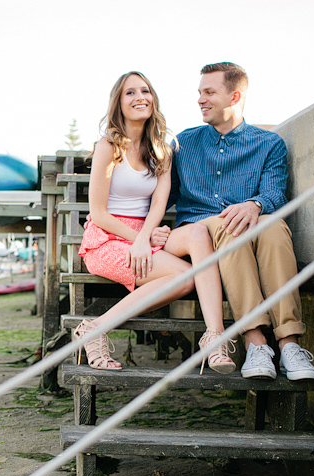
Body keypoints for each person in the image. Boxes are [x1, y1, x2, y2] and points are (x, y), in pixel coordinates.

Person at [167, 61, 314, 381]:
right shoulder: (184, 143)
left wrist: (255, 204)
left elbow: (275, 193)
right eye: (199, 92)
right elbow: (163, 195)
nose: (200, 99)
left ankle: (289, 344)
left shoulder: (269, 144)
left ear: (235, 97)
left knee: (275, 227)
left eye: (209, 92)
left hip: (250, 225)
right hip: (200, 226)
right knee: (228, 225)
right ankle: (255, 342)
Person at [74, 71, 234, 375]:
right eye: (130, 93)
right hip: (107, 238)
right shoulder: (108, 146)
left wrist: (146, 236)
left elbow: (158, 205)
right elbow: (98, 213)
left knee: (199, 233)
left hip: (143, 235)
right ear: (118, 104)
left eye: (145, 91)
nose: (139, 98)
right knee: (185, 277)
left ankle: (215, 339)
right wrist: (139, 240)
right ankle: (93, 329)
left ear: (153, 99)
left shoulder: (162, 149)